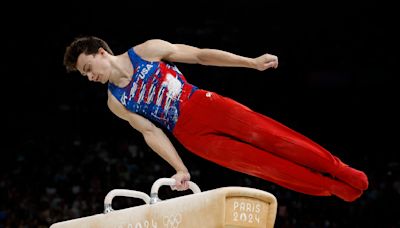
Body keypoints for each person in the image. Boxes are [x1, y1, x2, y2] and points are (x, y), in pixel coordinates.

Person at [63, 36, 368, 202]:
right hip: (191, 137)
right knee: (263, 166)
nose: (90, 77)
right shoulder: (115, 102)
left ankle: (339, 169)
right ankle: (331, 188)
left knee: (275, 138)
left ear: (102, 53)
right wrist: (180, 168)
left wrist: (250, 63)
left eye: (88, 67)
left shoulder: (146, 51)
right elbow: (151, 132)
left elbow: (199, 55)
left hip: (203, 104)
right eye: (85, 75)